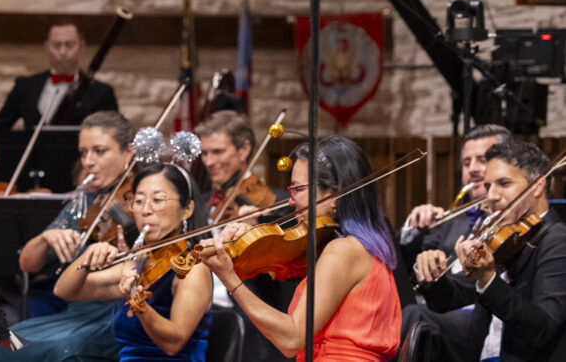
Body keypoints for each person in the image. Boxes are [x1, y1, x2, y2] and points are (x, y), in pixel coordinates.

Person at [201, 135, 401, 361]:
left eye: (298, 189)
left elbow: (292, 339)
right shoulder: (364, 247)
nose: (290, 201)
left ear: (334, 195)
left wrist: (228, 277)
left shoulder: (343, 251)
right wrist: (250, 245)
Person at [0, 111, 137, 362]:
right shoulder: (85, 201)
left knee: (61, 352)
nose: (88, 162)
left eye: (99, 151)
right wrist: (47, 237)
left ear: (129, 152)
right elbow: (27, 263)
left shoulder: (142, 196)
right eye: (83, 152)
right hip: (77, 314)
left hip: (122, 313)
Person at [409, 138, 566, 361]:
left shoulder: (557, 241)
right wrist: (432, 274)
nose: (491, 195)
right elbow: (448, 300)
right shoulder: (505, 238)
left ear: (538, 185)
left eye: (504, 183)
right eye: (488, 186)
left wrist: (489, 280)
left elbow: (542, 328)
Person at [53, 163, 212, 361]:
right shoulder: (140, 263)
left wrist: (136, 298)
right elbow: (65, 290)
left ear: (187, 209)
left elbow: (173, 344)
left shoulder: (193, 269)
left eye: (158, 200)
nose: (145, 210)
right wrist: (88, 257)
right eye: (138, 201)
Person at [401, 123, 509, 283]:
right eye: (466, 163)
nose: (472, 169)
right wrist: (415, 226)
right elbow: (406, 267)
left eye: (482, 160)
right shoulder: (454, 221)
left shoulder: (512, 224)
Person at [0, 22, 118, 133]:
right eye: (57, 45)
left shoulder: (102, 93)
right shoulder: (25, 87)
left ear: (82, 45)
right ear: (47, 46)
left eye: (69, 45)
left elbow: (115, 136)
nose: (63, 52)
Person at [195, 110, 278, 220]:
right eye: (204, 153)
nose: (208, 162)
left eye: (218, 152)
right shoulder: (199, 203)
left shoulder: (278, 204)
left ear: (244, 150)